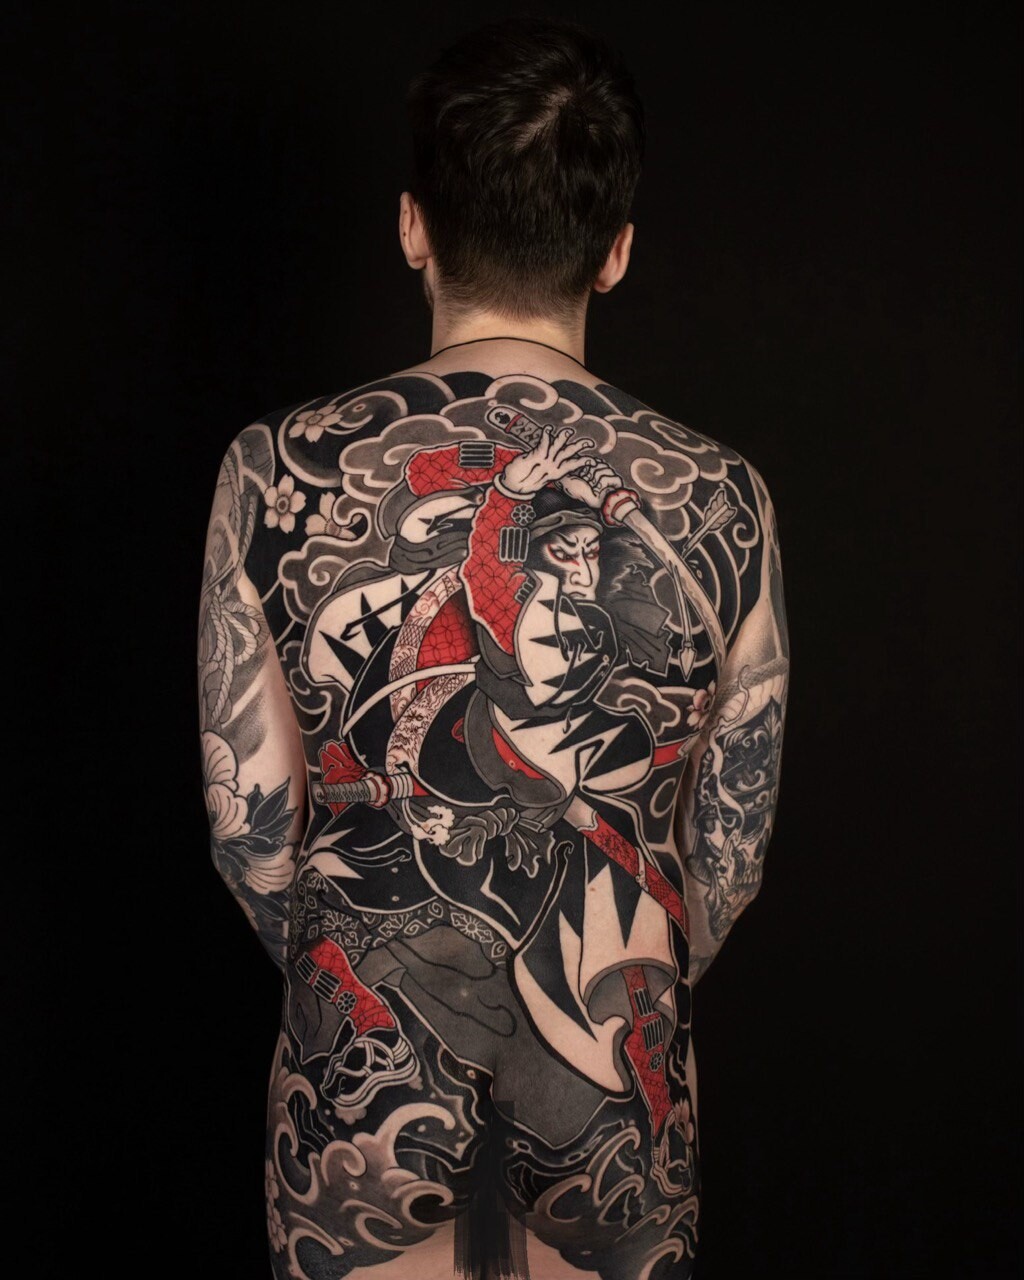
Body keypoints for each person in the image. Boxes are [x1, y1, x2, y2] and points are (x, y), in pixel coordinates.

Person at [198, 17, 789, 1279]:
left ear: (414, 226)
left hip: (361, 1084)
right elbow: (726, 858)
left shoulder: (274, 471)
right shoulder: (723, 496)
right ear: (615, 251)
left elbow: (252, 837)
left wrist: (360, 947)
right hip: (614, 1090)